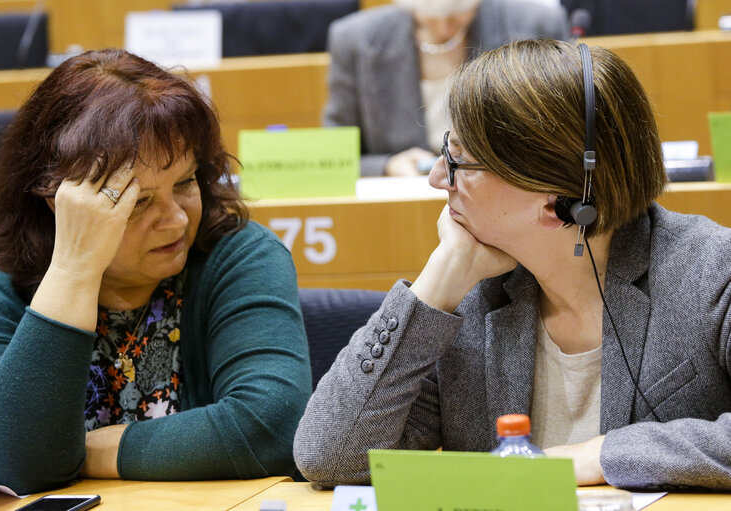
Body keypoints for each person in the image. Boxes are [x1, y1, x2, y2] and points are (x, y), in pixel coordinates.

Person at [294, 39, 731, 490]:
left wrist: (601, 455)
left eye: (460, 160)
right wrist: (436, 282)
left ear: (555, 200)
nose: (436, 178)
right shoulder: (466, 298)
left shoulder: (712, 271)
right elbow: (330, 457)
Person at [0, 49, 311, 494]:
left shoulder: (237, 255)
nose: (176, 220)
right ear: (61, 204)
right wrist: (74, 268)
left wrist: (99, 450)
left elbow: (274, 425)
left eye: (185, 182)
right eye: (138, 201)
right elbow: (8, 466)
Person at [323, 0, 569, 177]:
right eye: (430, 19)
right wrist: (385, 165)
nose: (444, 28)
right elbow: (335, 152)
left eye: (459, 15)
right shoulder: (355, 37)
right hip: (405, 199)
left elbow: (567, 133)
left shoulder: (537, 24)